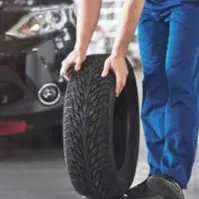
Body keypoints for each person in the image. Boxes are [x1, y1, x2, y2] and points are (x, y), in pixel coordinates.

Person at [60, 0, 199, 199]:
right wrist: (80, 48)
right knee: (155, 84)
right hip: (150, 7)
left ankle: (173, 174)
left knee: (178, 80)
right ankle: (157, 175)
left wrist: (118, 53)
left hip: (187, 4)